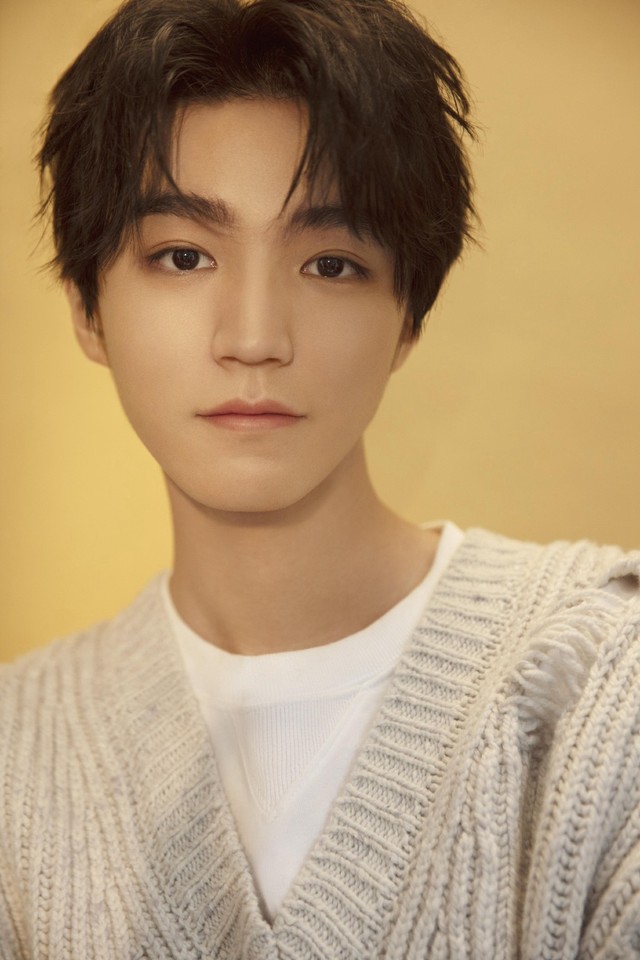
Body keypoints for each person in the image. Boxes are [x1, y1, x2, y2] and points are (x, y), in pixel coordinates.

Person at [1, 0, 639, 956]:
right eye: (183, 256)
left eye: (332, 264)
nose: (255, 337)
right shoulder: (17, 751)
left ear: (409, 317)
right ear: (88, 309)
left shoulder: (604, 685)